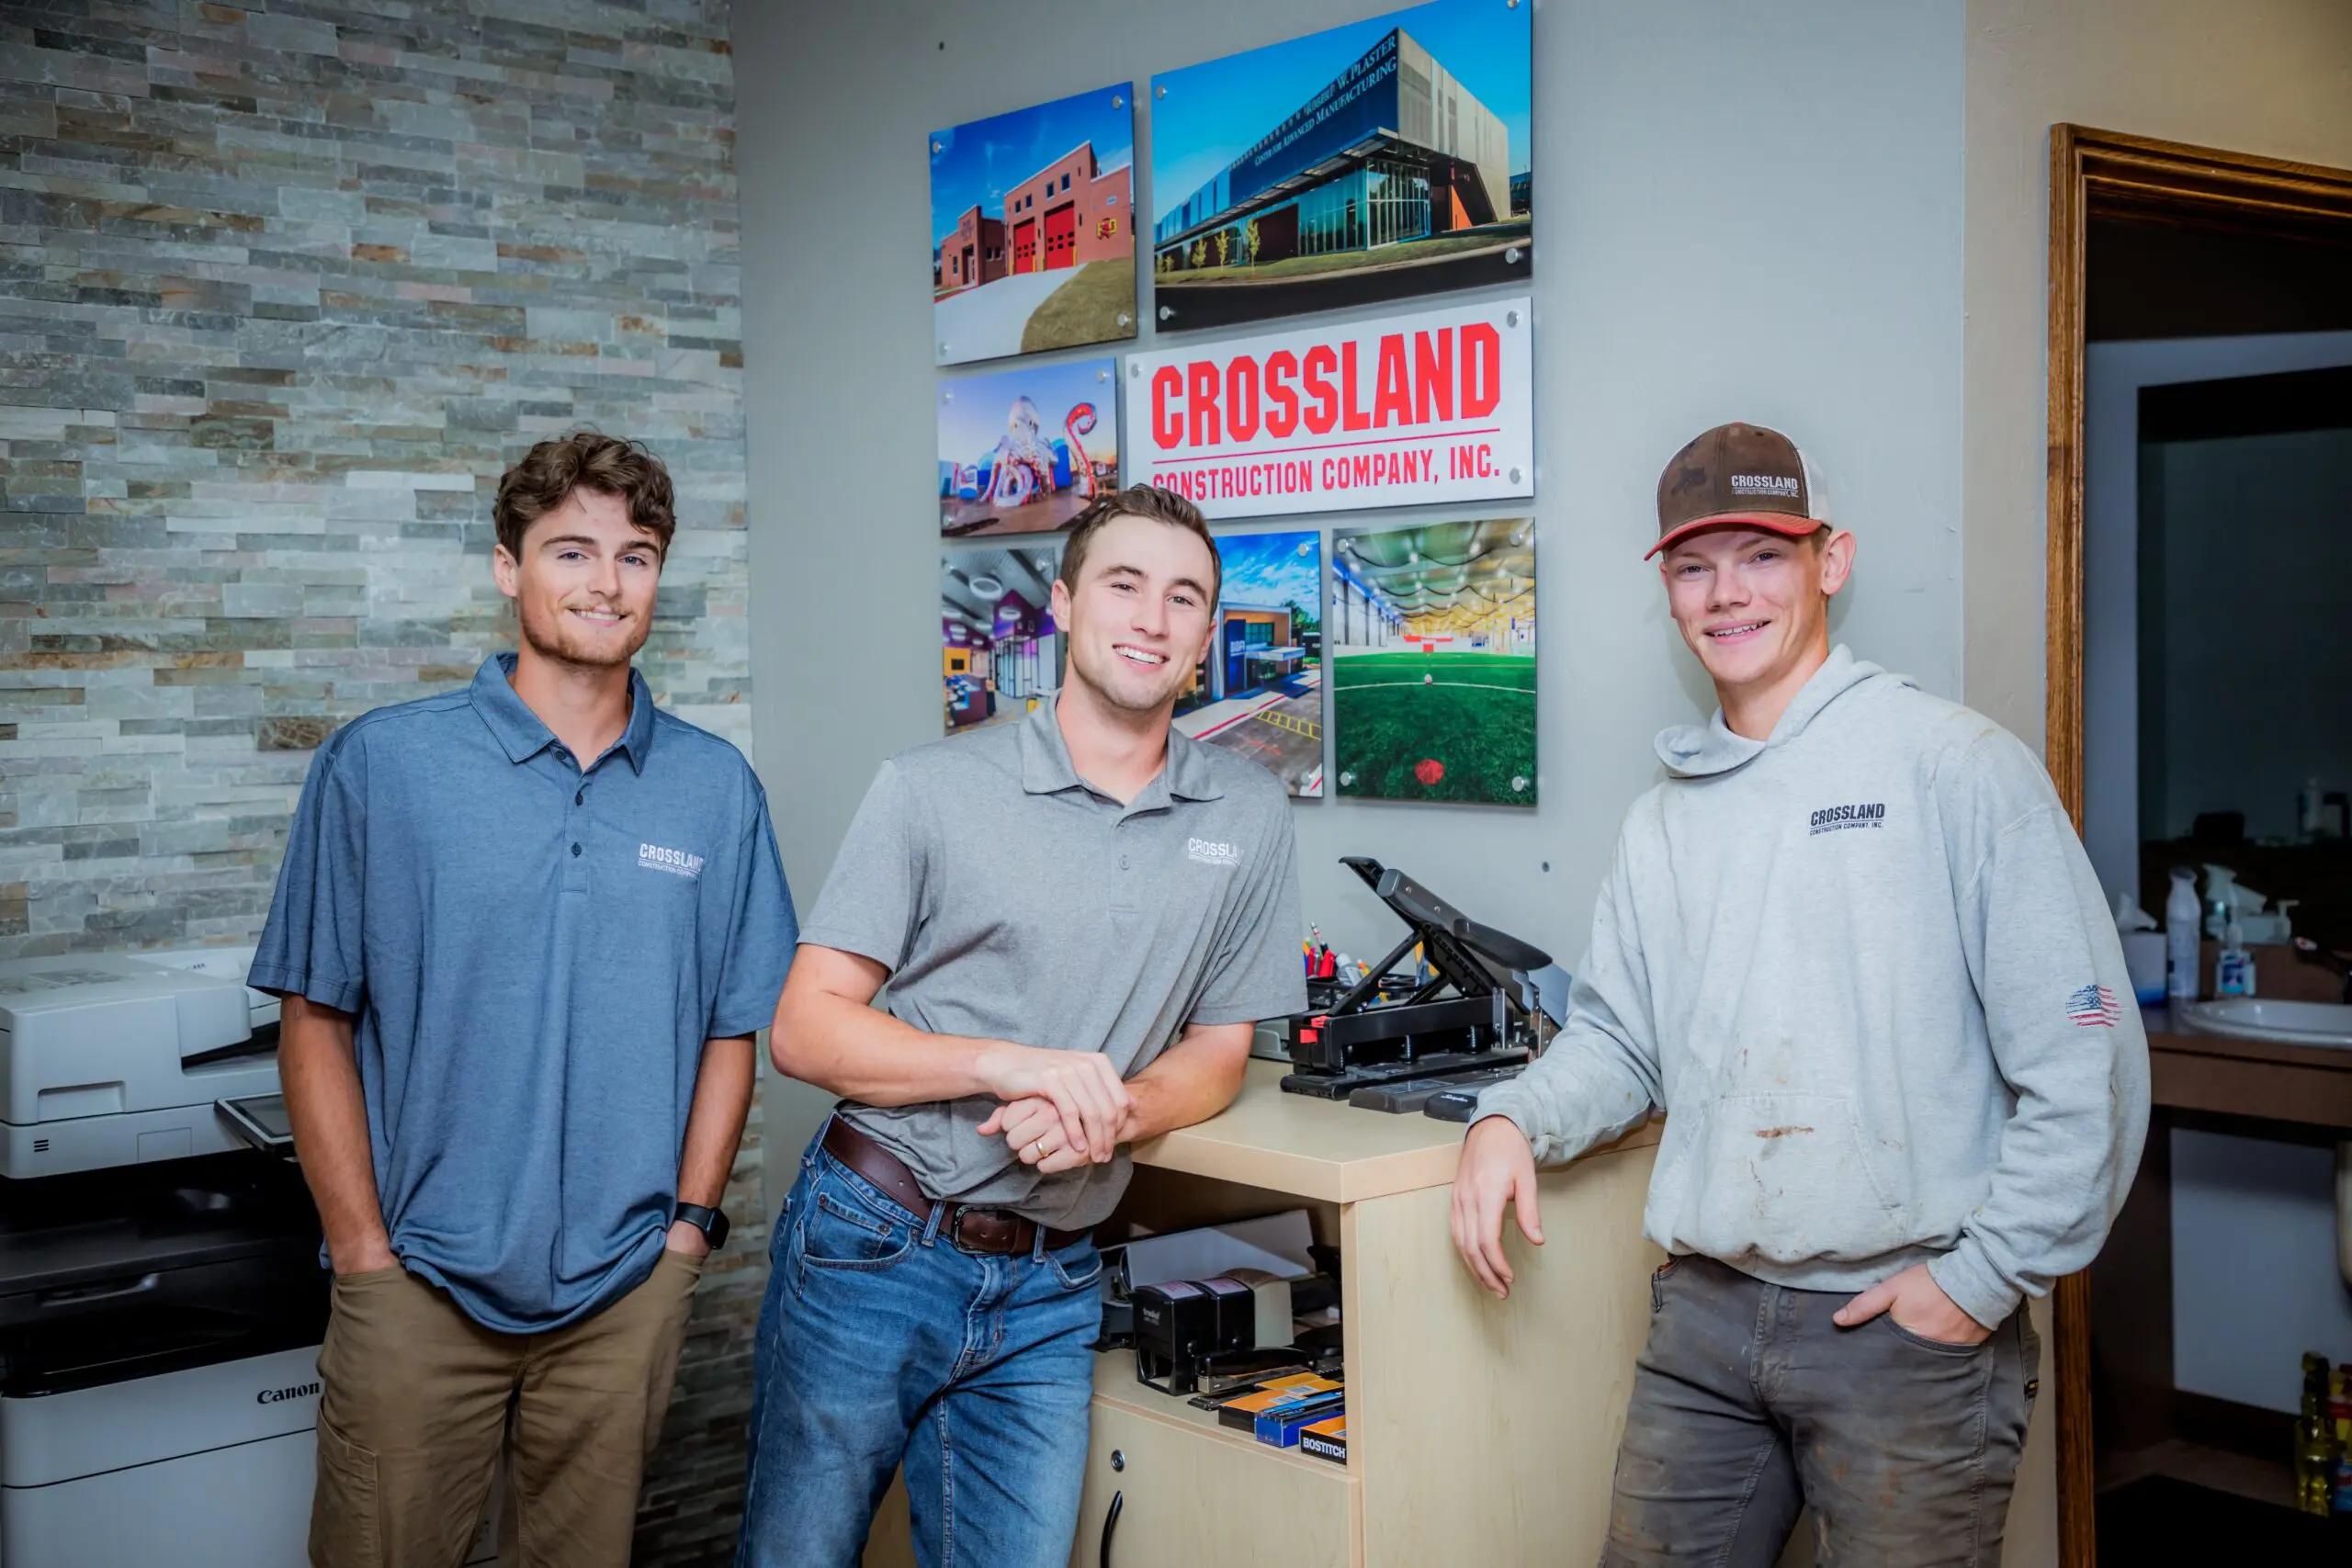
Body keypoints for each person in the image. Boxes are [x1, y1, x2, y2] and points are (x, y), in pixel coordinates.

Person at [1452, 423, 2150, 1566]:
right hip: (1704, 1325)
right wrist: (1508, 1118)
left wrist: (1978, 1283)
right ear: (1667, 591)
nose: (1727, 595)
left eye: (1762, 555)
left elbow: (2091, 1064)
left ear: (1832, 561)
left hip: (1907, 1337)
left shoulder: (1955, 768)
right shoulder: (1663, 818)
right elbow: (1623, 1046)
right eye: (1693, 565)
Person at [250, 432, 798, 1568]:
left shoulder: (714, 789)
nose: (606, 584)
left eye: (636, 556)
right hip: (416, 1286)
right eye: (572, 552)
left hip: (622, 1292)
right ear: (509, 568)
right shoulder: (384, 767)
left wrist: (686, 1237)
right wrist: (361, 1252)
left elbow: (733, 1030)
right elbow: (317, 1019)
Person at [739, 485, 1306, 1568]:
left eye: (1183, 597)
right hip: (876, 1241)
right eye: (1124, 584)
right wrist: (1009, 1068)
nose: (1152, 616)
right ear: (1062, 604)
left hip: (1056, 1279)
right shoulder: (930, 788)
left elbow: (1220, 1049)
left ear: (1204, 637)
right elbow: (806, 1033)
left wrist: (1111, 1112)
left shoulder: (1244, 813)